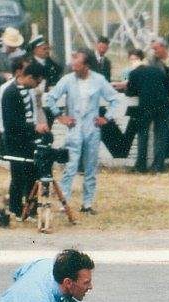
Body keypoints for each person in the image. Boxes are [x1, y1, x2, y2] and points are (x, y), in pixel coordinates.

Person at [48, 49, 123, 213]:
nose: (74, 65)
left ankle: (87, 204)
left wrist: (107, 118)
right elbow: (51, 97)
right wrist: (60, 116)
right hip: (74, 127)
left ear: (86, 65)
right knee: (70, 166)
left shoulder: (99, 80)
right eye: (73, 61)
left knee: (90, 167)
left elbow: (116, 99)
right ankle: (64, 203)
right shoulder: (67, 80)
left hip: (92, 127)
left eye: (78, 62)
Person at [0, 59, 48, 217]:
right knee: (18, 176)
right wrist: (34, 128)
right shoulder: (10, 92)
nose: (36, 86)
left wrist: (37, 130)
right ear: (29, 77)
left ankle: (31, 207)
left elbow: (30, 116)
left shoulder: (27, 91)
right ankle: (15, 208)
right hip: (14, 141)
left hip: (27, 139)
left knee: (32, 174)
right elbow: (11, 123)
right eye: (36, 82)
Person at [125, 47, 169, 173]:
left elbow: (129, 92)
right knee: (161, 135)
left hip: (146, 105)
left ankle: (141, 165)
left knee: (143, 134)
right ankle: (158, 166)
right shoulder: (157, 70)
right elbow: (168, 87)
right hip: (162, 104)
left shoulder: (133, 73)